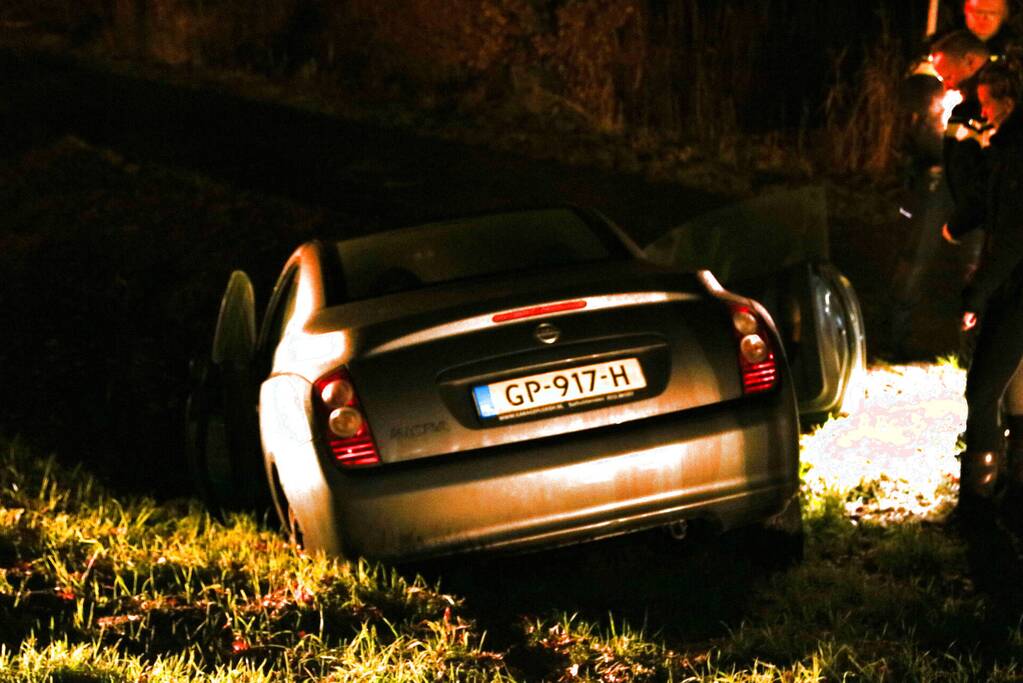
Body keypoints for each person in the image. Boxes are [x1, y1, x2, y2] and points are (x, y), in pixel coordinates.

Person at [955, 62, 1023, 510]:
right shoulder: (1006, 147)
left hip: (1017, 289)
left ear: (1007, 102)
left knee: (982, 390)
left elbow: (1012, 234)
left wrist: (977, 294)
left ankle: (979, 498)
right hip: (1013, 284)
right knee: (1015, 394)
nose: (983, 113)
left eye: (986, 104)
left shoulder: (1016, 153)